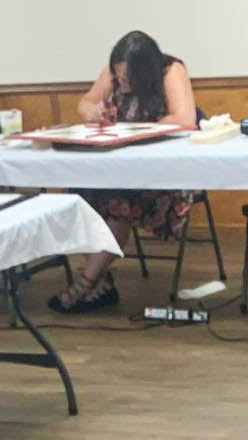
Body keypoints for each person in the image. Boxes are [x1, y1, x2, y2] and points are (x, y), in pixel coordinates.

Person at [49, 31, 198, 313]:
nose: (122, 83)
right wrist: (93, 113)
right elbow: (85, 103)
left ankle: (84, 283)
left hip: (161, 176)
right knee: (81, 198)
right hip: (114, 168)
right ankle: (100, 283)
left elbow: (185, 119)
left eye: (129, 78)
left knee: (117, 203)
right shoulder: (114, 70)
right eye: (119, 78)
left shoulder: (170, 70)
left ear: (145, 72)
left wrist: (139, 129)